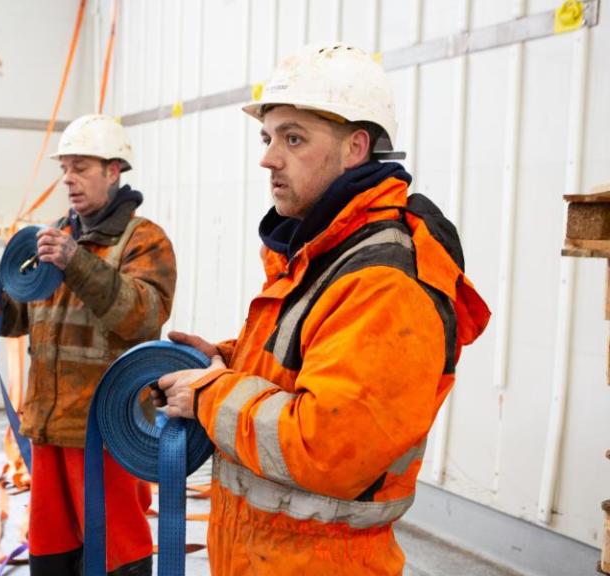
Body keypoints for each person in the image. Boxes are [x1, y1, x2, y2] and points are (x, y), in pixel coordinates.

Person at [155, 44, 490, 574]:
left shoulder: (384, 280)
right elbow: (306, 368)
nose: (268, 157)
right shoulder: (321, 253)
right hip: (266, 554)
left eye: (294, 138)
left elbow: (324, 446)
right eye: (268, 138)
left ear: (356, 147)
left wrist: (210, 394)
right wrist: (227, 359)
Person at [0, 114, 175, 576]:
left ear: (113, 170)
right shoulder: (54, 237)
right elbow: (29, 312)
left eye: (81, 167)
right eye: (65, 167)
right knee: (52, 552)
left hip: (106, 433)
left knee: (116, 553)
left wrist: (77, 262)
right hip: (48, 427)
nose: (69, 178)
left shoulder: (144, 241)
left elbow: (143, 316)